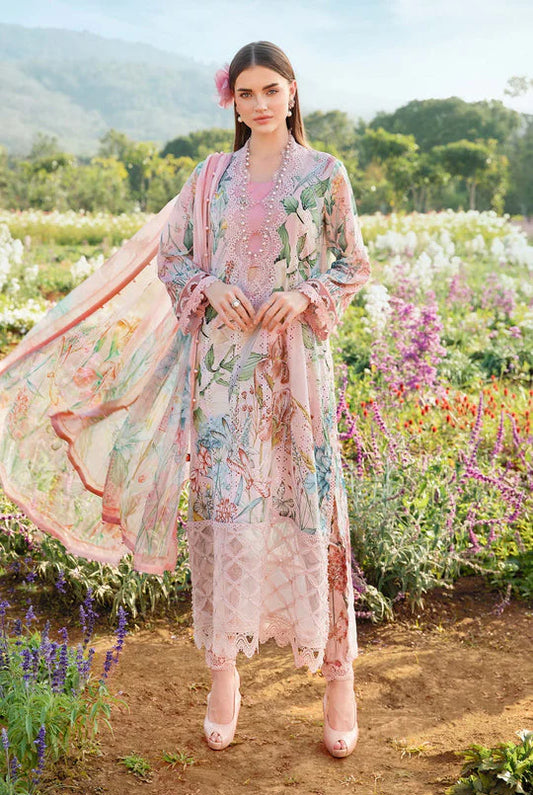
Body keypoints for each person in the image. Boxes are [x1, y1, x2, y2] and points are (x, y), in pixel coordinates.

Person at [0, 40, 371, 758]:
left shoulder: (327, 175)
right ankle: (223, 674)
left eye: (270, 90)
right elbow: (171, 258)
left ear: (293, 93)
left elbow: (350, 263)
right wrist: (208, 287)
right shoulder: (209, 178)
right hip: (222, 377)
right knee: (224, 515)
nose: (259, 104)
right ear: (230, 101)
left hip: (295, 373)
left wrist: (302, 294)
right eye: (245, 94)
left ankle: (336, 679)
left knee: (310, 512)